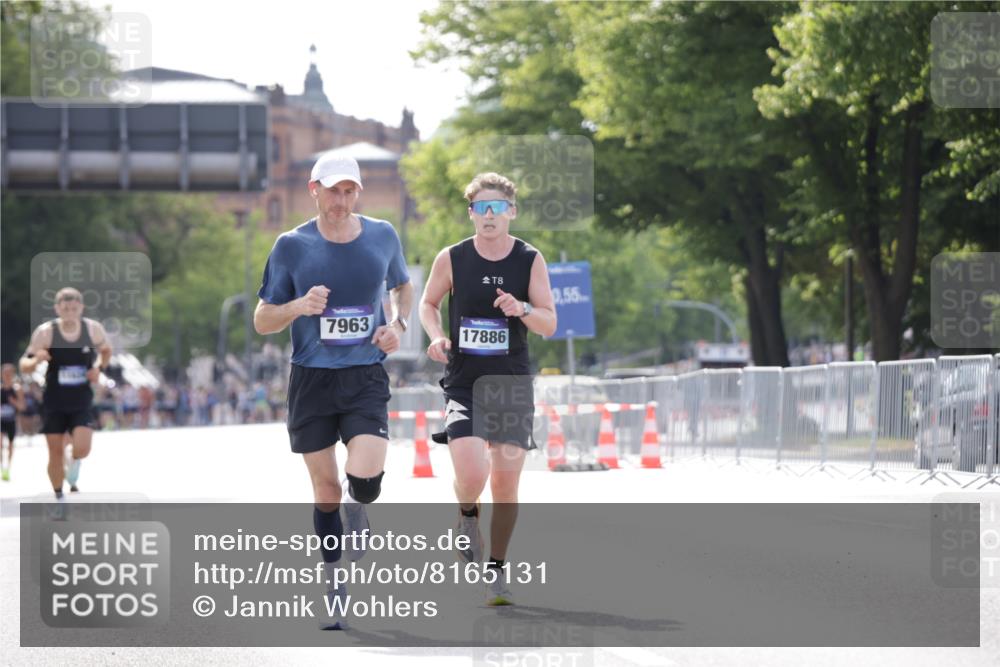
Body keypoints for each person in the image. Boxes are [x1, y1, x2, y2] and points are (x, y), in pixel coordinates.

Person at [254, 153, 412, 629]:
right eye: (333, 191)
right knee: (324, 489)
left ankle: (357, 507)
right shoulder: (291, 245)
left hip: (365, 375)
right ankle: (334, 580)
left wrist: (399, 325)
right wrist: (299, 306)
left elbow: (402, 287)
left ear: (357, 193)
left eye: (350, 191)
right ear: (314, 189)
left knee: (364, 478)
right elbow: (262, 320)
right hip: (312, 379)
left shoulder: (383, 235)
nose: (341, 200)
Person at [419, 172, 556, 606]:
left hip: (511, 383)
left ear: (512, 212)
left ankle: (496, 569)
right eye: (482, 207)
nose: (490, 215)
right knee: (472, 474)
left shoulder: (529, 259)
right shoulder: (453, 258)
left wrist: (523, 309)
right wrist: (436, 335)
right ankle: (465, 514)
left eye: (498, 207)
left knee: (506, 485)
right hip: (464, 383)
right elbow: (428, 303)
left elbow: (549, 323)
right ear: (472, 213)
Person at [19, 287, 113, 499]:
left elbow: (106, 350)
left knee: (82, 448)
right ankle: (58, 495)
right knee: (55, 452)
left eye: (73, 308)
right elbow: (24, 364)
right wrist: (36, 360)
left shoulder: (92, 330)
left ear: (81, 307)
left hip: (81, 398)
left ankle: (75, 460)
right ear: (57, 309)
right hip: (54, 399)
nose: (70, 312)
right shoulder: (46, 332)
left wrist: (99, 368)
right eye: (65, 308)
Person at [1, 364, 26, 481]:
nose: (7, 376)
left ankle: (7, 468)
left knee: (10, 445)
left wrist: (14, 402)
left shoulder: (17, 389)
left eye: (9, 373)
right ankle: (2, 467)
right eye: (5, 373)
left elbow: (22, 407)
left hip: (11, 421)